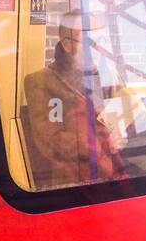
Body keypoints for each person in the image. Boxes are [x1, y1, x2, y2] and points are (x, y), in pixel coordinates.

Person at [24, 11, 126, 189]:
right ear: (67, 45)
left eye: (101, 41)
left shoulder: (109, 74)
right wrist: (101, 141)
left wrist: (126, 130)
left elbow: (122, 116)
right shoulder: (42, 82)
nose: (99, 49)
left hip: (117, 176)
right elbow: (51, 141)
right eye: (90, 43)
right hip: (74, 184)